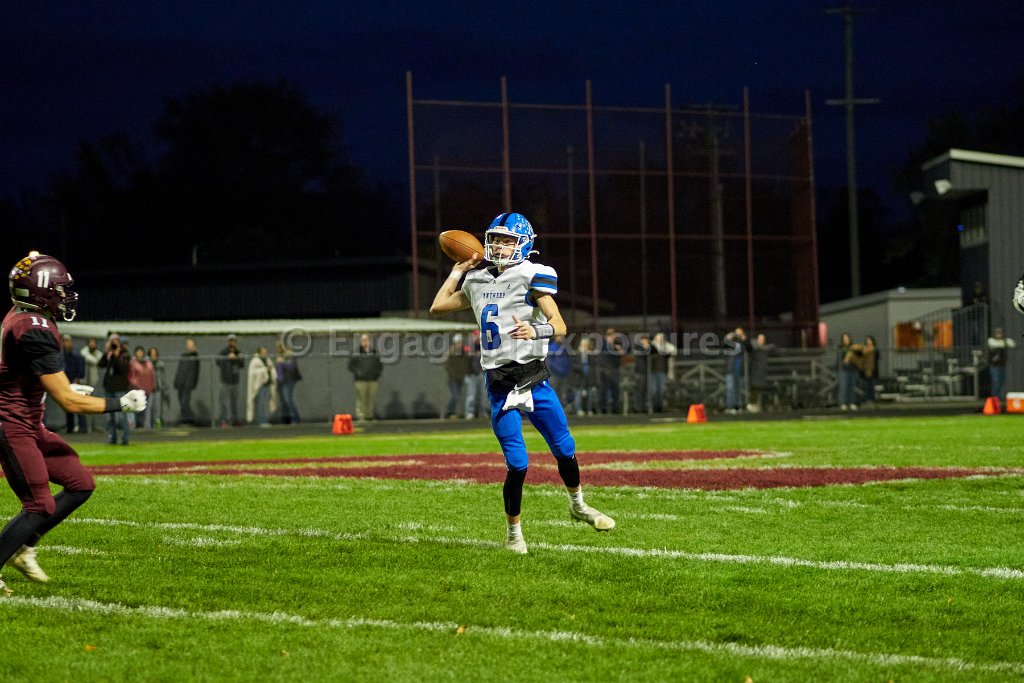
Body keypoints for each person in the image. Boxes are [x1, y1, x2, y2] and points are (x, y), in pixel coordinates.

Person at [429, 211, 614, 555]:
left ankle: (578, 505)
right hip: (499, 384)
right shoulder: (476, 280)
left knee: (564, 447)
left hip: (533, 379)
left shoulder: (532, 274)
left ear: (524, 244)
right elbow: (438, 306)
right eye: (496, 239)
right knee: (517, 463)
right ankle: (514, 535)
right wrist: (457, 270)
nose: (500, 246)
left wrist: (536, 329)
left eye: (507, 240)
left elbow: (560, 324)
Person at [0, 253, 145, 596]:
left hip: (29, 419)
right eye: (60, 289)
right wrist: (121, 404)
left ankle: (23, 547)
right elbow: (69, 402)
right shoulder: (33, 328)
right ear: (41, 292)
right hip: (13, 424)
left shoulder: (21, 315)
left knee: (80, 483)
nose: (65, 296)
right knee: (40, 505)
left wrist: (53, 389)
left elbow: (20, 373)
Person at [99, 333, 133, 444]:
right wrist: (106, 353)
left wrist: (117, 355)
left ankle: (125, 439)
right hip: (109, 388)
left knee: (122, 415)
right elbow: (101, 364)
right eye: (111, 341)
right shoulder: (109, 354)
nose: (113, 344)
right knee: (110, 416)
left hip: (120, 388)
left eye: (115, 341)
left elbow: (123, 369)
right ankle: (112, 438)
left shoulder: (124, 354)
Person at [348, 333, 383, 421]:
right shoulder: (356, 353)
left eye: (366, 340)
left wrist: (376, 374)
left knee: (371, 398)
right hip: (361, 380)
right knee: (361, 399)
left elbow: (379, 366)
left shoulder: (374, 352)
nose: (365, 342)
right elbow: (351, 366)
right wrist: (358, 373)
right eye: (363, 340)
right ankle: (361, 416)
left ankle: (369, 415)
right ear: (360, 342)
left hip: (373, 380)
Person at [60, 334, 87, 434]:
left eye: (67, 341)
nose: (65, 343)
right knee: (68, 406)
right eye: (64, 341)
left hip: (76, 385)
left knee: (79, 406)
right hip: (65, 384)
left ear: (71, 342)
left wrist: (76, 380)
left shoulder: (77, 356)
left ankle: (83, 427)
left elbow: (81, 371)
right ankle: (70, 427)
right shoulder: (61, 357)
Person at [216, 334, 244, 427]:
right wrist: (227, 358)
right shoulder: (223, 352)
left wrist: (236, 358)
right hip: (225, 381)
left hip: (235, 381)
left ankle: (235, 420)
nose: (232, 343)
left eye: (234, 341)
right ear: (228, 342)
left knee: (234, 403)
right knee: (223, 402)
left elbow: (242, 364)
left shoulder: (238, 352)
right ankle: (223, 420)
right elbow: (218, 362)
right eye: (230, 341)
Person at [246, 346, 276, 427]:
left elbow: (272, 369)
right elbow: (253, 373)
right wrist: (265, 369)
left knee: (265, 403)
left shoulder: (268, 360)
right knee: (260, 403)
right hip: (259, 385)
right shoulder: (255, 361)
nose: (265, 354)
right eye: (263, 352)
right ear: (259, 353)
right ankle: (261, 420)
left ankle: (264, 419)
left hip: (267, 384)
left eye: (266, 352)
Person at [173, 338, 200, 425]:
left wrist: (193, 383)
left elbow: (195, 372)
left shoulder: (195, 357)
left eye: (191, 345)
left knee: (185, 402)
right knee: (181, 402)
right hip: (180, 383)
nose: (189, 346)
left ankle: (189, 420)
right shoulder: (183, 356)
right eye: (188, 344)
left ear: (194, 346)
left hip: (188, 384)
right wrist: (176, 381)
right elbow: (179, 370)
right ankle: (185, 419)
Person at [275, 341, 302, 424]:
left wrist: (281, 363)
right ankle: (286, 418)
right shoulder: (279, 356)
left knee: (288, 399)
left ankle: (295, 417)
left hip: (289, 380)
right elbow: (278, 370)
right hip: (281, 381)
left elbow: (291, 366)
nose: (278, 349)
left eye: (279, 347)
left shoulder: (289, 355)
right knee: (283, 400)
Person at [649, 331, 677, 413]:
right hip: (653, 371)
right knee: (654, 391)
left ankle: (660, 407)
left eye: (661, 338)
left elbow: (673, 350)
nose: (659, 339)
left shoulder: (666, 346)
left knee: (661, 391)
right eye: (658, 338)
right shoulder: (652, 346)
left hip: (662, 371)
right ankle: (654, 407)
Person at [129, 346, 155, 429]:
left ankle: (143, 424)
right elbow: (131, 376)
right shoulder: (133, 363)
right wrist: (134, 384)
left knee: (144, 408)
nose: (139, 354)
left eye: (141, 352)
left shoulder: (148, 364)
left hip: (147, 389)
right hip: (136, 389)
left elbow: (151, 376)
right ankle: (137, 423)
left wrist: (152, 386)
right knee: (136, 407)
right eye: (138, 352)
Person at [80, 338, 103, 433]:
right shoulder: (83, 352)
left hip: (94, 383)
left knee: (94, 404)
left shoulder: (97, 354)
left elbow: (95, 361)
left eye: (94, 343)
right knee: (85, 405)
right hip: (84, 382)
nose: (92, 345)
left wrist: (86, 355)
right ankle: (87, 426)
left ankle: (94, 426)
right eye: (90, 343)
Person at [746, 333, 773, 413]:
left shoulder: (766, 348)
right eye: (759, 339)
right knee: (754, 389)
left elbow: (772, 347)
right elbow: (748, 345)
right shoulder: (754, 348)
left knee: (763, 390)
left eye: (762, 339)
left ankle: (763, 406)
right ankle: (752, 405)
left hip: (764, 373)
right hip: (755, 372)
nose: (760, 341)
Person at [987, 327, 1016, 403]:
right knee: (996, 381)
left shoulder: (1004, 341)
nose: (999, 335)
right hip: (994, 365)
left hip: (1001, 365)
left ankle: (999, 396)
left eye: (1000, 333)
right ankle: (994, 397)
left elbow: (1012, 344)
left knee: (1001, 382)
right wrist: (1004, 343)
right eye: (998, 333)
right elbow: (995, 344)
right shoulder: (991, 341)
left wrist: (1004, 342)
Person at [598, 327, 623, 414]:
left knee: (615, 388)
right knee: (604, 389)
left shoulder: (617, 343)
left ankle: (614, 408)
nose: (612, 336)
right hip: (605, 370)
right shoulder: (603, 344)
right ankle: (603, 408)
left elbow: (622, 353)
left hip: (614, 369)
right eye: (609, 334)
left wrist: (617, 348)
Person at [724, 327, 748, 413]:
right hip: (730, 369)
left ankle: (738, 406)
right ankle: (730, 406)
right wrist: (728, 337)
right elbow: (724, 344)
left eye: (739, 332)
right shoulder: (731, 343)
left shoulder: (742, 343)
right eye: (736, 332)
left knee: (739, 388)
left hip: (739, 369)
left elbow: (748, 348)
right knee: (730, 388)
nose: (737, 334)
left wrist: (744, 339)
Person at [442, 335, 467, 419]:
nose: (460, 344)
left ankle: (452, 412)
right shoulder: (451, 352)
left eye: (461, 343)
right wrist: (452, 374)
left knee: (458, 396)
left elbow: (465, 364)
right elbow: (446, 365)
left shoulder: (463, 353)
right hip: (452, 378)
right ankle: (448, 412)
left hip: (460, 378)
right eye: (458, 343)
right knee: (455, 396)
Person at [463, 330, 485, 418]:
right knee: (471, 395)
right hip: (471, 374)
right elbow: (466, 353)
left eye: (478, 335)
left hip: (481, 373)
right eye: (475, 335)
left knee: (482, 395)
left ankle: (482, 412)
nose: (477, 337)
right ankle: (469, 412)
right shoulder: (469, 345)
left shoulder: (482, 345)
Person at [546, 335, 572, 407]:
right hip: (554, 374)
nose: (562, 338)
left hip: (563, 374)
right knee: (553, 392)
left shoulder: (564, 348)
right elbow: (549, 362)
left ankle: (561, 408)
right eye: (560, 336)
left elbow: (568, 360)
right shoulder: (552, 347)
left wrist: (567, 370)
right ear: (555, 337)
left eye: (563, 336)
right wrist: (555, 370)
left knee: (563, 394)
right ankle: (552, 408)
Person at [837, 332, 860, 411]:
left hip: (853, 369)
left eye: (847, 338)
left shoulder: (854, 347)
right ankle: (843, 403)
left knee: (853, 387)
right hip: (844, 370)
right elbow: (843, 361)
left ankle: (852, 403)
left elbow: (859, 356)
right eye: (844, 338)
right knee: (844, 387)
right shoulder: (841, 348)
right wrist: (848, 354)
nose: (846, 340)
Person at [147, 347, 166, 429]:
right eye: (152, 354)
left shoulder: (160, 364)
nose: (153, 355)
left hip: (158, 388)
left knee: (157, 408)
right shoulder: (147, 364)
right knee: (149, 407)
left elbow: (162, 377)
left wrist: (163, 386)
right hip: (149, 389)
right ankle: (147, 425)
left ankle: (157, 424)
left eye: (155, 354)